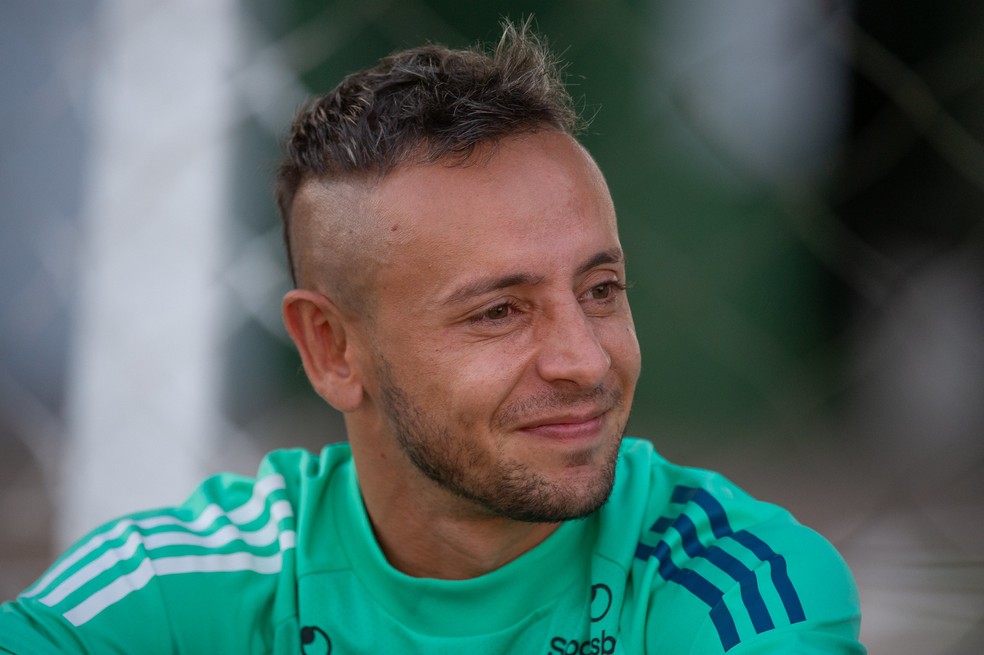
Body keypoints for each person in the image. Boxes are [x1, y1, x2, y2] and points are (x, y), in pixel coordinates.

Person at [0, 21, 864, 654]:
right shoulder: (179, 590)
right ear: (332, 349)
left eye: (600, 290)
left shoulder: (739, 593)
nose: (586, 359)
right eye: (499, 311)